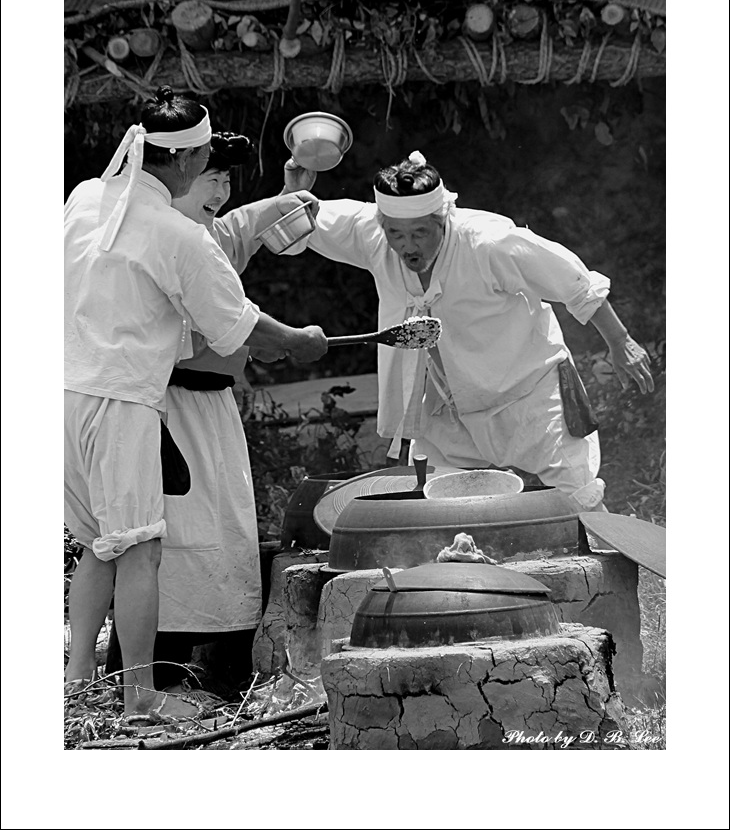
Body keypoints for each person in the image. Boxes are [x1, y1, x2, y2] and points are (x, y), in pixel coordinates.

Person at [64, 87, 327, 717]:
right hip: (122, 399)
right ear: (185, 161)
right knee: (140, 548)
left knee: (99, 543)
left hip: (63, 390)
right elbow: (241, 326)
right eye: (209, 158)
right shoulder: (178, 233)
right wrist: (299, 342)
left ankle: (76, 684)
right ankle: (140, 699)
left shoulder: (86, 197)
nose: (214, 170)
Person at [278, 150, 653, 509]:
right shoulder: (373, 235)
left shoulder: (488, 243)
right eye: (396, 234)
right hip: (447, 405)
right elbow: (296, 227)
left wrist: (620, 342)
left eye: (420, 233)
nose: (407, 246)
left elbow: (574, 283)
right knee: (442, 506)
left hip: (529, 394)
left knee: (578, 499)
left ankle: (609, 551)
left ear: (442, 220)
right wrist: (291, 193)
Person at [149, 131, 320, 690]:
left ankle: (218, 675)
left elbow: (250, 225)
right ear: (177, 176)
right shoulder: (161, 240)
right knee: (176, 540)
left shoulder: (211, 235)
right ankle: (155, 673)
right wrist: (285, 339)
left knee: (225, 535)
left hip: (215, 409)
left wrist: (291, 192)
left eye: (225, 179)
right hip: (168, 409)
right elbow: (233, 322)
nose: (220, 191)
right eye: (210, 177)